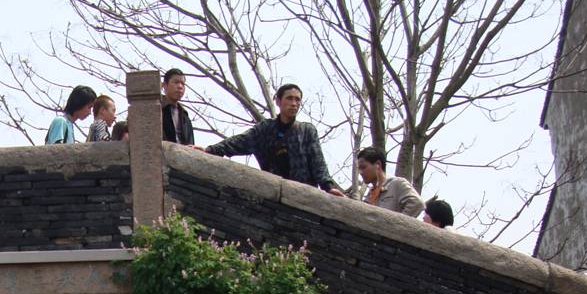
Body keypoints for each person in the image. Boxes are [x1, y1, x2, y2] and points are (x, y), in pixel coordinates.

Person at [204, 83, 344, 195]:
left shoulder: (307, 131)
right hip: (273, 193)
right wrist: (210, 150)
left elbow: (317, 162)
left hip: (303, 195)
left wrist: (328, 186)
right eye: (289, 98)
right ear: (278, 101)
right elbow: (239, 142)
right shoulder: (265, 129)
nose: (294, 103)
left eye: (298, 99)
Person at [355, 146, 422, 216]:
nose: (360, 172)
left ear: (378, 164)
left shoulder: (397, 184)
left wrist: (398, 224)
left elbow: (417, 204)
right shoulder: (370, 195)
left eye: (363, 167)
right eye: (359, 169)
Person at [161, 68, 194, 144]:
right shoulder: (157, 108)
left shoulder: (184, 115)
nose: (180, 86)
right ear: (165, 85)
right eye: (176, 82)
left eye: (183, 84)